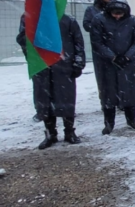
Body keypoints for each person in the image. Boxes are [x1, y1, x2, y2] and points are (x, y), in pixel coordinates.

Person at [17, 13, 85, 149]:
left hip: (64, 66)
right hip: (41, 67)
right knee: (44, 101)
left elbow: (78, 42)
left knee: (66, 99)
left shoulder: (68, 20)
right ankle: (50, 134)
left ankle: (70, 132)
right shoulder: (31, 16)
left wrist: (78, 62)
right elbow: (24, 41)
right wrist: (33, 59)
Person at [90, 0, 135, 134]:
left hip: (128, 63)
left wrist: (127, 56)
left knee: (129, 92)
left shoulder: (133, 21)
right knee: (108, 93)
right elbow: (97, 42)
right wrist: (112, 56)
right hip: (107, 64)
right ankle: (109, 123)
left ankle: (131, 119)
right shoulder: (99, 20)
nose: (118, 16)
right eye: (115, 14)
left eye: (120, 14)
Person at [83, 0, 117, 113]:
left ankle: (120, 101)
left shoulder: (118, 8)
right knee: (103, 77)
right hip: (100, 49)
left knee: (118, 76)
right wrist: (100, 29)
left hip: (117, 47)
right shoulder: (92, 10)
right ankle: (105, 101)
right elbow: (86, 25)